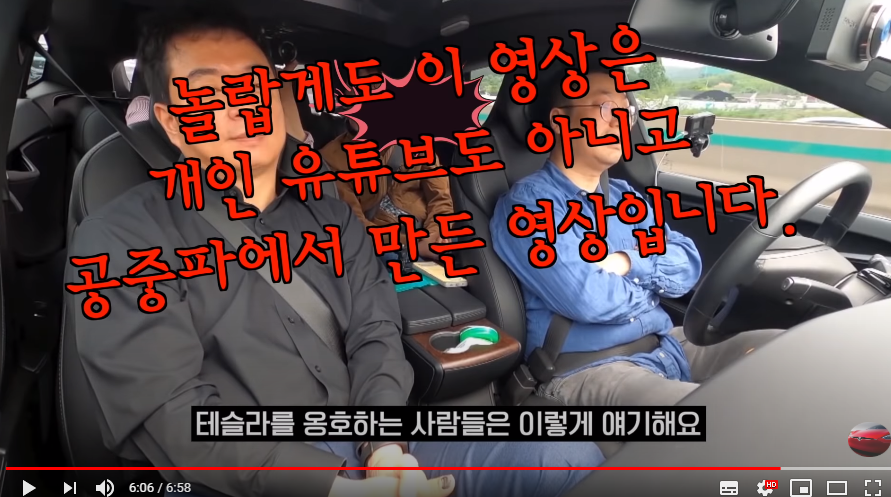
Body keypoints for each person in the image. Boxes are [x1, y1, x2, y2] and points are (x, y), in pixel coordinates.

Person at [66, 5, 604, 497]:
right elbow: (172, 412)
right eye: (208, 93)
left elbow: (375, 332)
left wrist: (384, 447)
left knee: (566, 454)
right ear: (171, 121)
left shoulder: (333, 216)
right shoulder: (120, 238)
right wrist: (331, 487)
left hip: (371, 436)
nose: (238, 107)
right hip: (248, 475)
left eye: (253, 85)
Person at [490, 66, 782, 407]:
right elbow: (589, 299)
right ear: (560, 120)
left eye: (626, 112)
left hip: (667, 346)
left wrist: (627, 263)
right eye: (605, 108)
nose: (620, 122)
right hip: (590, 368)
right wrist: (652, 289)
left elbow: (687, 264)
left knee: (791, 352)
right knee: (723, 415)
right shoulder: (528, 205)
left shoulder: (624, 196)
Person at [319, 67, 454, 261]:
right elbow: (353, 224)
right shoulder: (331, 158)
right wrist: (414, 245)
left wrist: (436, 233)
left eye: (374, 88)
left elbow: (441, 198)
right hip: (384, 247)